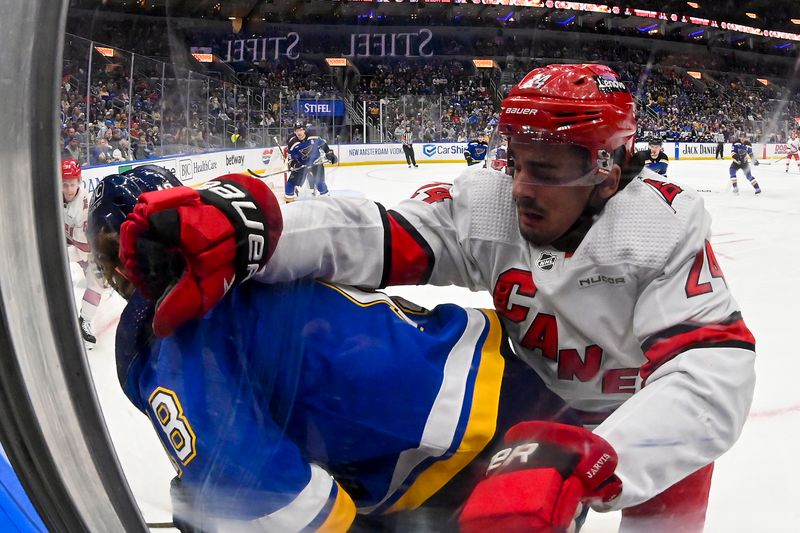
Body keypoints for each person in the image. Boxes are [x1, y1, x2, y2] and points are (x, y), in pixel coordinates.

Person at [117, 64, 757, 532]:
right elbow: (377, 236)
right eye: (516, 160)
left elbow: (712, 372)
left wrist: (602, 457)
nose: (522, 188)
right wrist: (265, 231)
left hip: (642, 423)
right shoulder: (490, 202)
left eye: (549, 169)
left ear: (608, 168)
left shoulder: (658, 228)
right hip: (526, 399)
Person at [87, 167, 599, 533]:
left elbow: (280, 505)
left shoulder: (168, 347)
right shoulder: (241, 259)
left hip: (461, 450)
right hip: (493, 362)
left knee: (200, 502)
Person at [62, 158, 105, 348]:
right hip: (72, 246)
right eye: (65, 184)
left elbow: (88, 243)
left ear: (79, 181)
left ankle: (84, 321)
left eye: (72, 184)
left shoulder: (85, 204)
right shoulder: (53, 198)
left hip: (90, 251)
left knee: (97, 284)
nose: (69, 189)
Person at [284, 122, 337, 202]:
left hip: (315, 163)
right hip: (301, 166)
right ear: (294, 132)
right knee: (290, 185)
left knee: (320, 184)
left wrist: (330, 154)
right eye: (297, 130)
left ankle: (328, 201)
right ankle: (289, 202)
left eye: (301, 130)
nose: (299, 132)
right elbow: (290, 159)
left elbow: (324, 146)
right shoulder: (292, 143)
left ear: (304, 130)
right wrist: (295, 164)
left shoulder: (313, 136)